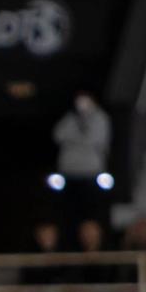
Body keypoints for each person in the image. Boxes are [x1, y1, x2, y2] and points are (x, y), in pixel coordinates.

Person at [52, 90, 111, 229]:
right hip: (69, 173)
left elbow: (95, 139)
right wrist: (78, 135)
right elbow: (57, 135)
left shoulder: (100, 118)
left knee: (91, 211)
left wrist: (74, 139)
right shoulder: (70, 118)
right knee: (70, 211)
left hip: (91, 173)